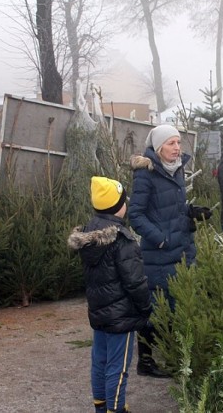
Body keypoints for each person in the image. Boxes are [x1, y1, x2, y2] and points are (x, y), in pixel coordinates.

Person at [129, 124, 211, 378]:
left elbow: (173, 208)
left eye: (178, 143)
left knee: (178, 304)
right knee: (157, 308)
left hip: (182, 247)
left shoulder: (176, 171)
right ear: (158, 147)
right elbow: (136, 215)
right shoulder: (146, 174)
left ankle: (174, 355)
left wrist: (192, 213)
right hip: (160, 253)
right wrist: (161, 239)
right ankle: (145, 361)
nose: (177, 148)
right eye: (172, 143)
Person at [67, 176, 152, 413]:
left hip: (99, 312)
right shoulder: (122, 240)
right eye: (124, 199)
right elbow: (135, 282)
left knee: (100, 362)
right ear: (118, 207)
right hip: (121, 316)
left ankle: (101, 407)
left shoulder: (88, 234)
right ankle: (116, 409)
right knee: (118, 366)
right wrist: (145, 308)